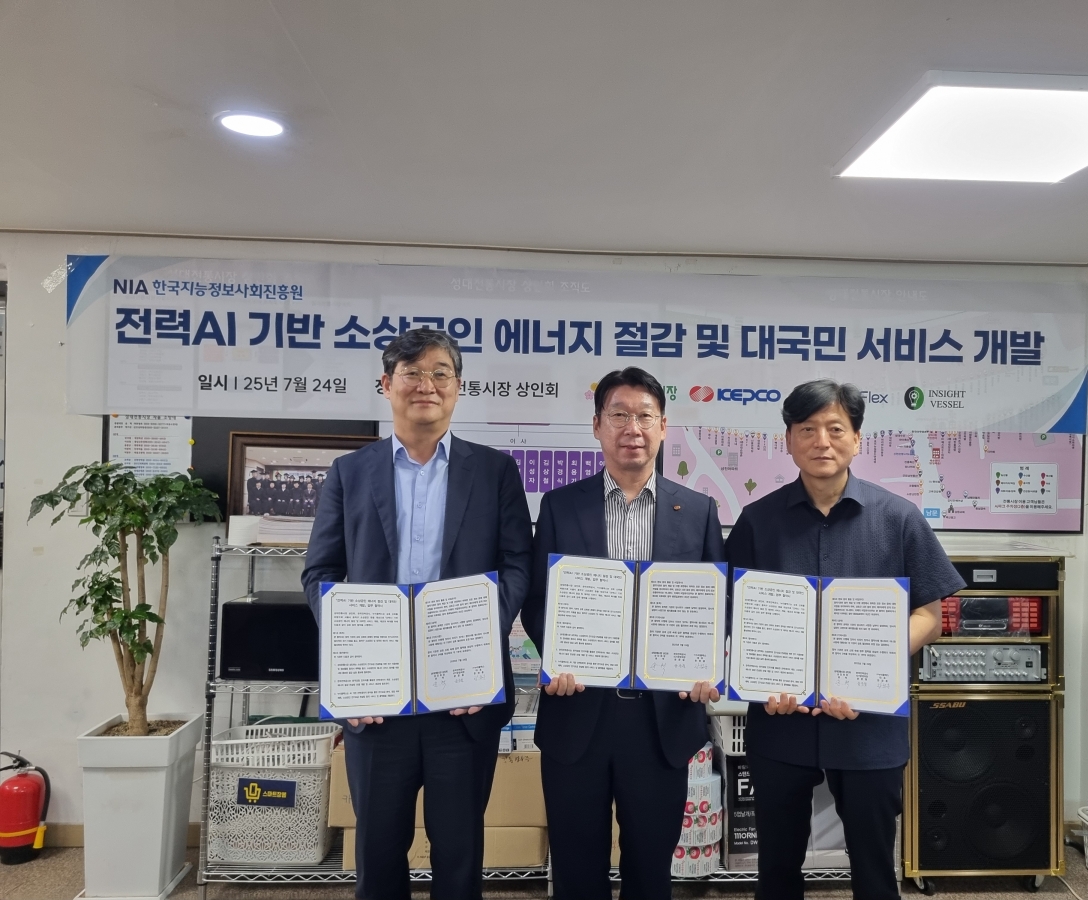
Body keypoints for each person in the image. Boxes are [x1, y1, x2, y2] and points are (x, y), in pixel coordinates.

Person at [302, 329, 532, 900]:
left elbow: (516, 567)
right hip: (377, 701)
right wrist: (354, 656)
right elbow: (320, 574)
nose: (426, 385)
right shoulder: (349, 473)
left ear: (458, 387)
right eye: (411, 373)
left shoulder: (495, 471)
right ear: (386, 385)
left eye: (439, 373)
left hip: (464, 698)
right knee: (378, 852)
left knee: (460, 852)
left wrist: (479, 647)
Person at [724, 379, 965, 900]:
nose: (822, 442)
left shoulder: (898, 518)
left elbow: (930, 615)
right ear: (789, 440)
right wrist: (757, 675)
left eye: (836, 429)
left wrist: (869, 668)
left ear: (857, 439)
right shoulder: (757, 521)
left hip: (869, 724)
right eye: (807, 429)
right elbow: (734, 614)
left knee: (874, 870)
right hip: (781, 720)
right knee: (777, 868)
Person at [520, 366, 723, 900]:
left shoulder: (697, 510)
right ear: (597, 426)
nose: (632, 428)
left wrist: (706, 666)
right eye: (618, 415)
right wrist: (556, 656)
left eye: (645, 416)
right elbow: (538, 600)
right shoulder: (560, 506)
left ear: (663, 427)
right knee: (576, 869)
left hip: (661, 721)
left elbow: (713, 607)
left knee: (651, 872)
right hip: (578, 711)